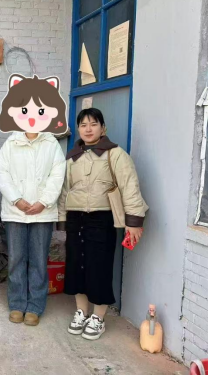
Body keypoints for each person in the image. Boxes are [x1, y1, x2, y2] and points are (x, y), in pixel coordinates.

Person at [58, 108, 148, 341]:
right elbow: (65, 190)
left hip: (102, 218)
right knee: (76, 266)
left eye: (93, 124)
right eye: (83, 125)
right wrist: (62, 219)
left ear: (102, 127)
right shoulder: (72, 156)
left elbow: (129, 186)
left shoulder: (115, 154)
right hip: (76, 218)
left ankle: (98, 317)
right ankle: (81, 312)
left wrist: (134, 221)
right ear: (78, 129)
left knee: (99, 267)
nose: (88, 129)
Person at [0, 130, 66, 326]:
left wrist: (44, 201)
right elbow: (2, 173)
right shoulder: (11, 142)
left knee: (38, 259)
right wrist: (16, 199)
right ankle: (17, 304)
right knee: (16, 258)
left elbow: (57, 174)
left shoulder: (51, 143)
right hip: (15, 211)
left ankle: (35, 306)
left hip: (43, 212)